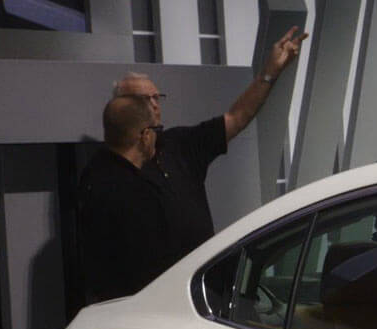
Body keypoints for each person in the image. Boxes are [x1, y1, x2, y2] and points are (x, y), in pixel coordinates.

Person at [110, 26, 307, 266]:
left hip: (199, 278)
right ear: (119, 108)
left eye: (156, 97)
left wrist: (269, 73)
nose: (153, 105)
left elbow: (237, 117)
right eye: (143, 99)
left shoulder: (180, 144)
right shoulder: (110, 171)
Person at [77, 97, 169, 302]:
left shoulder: (91, 175)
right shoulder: (138, 191)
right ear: (145, 135)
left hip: (104, 302)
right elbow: (152, 263)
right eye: (156, 129)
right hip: (140, 304)